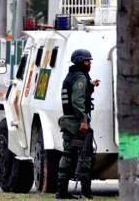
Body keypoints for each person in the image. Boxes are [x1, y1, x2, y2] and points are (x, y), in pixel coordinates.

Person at [56, 49, 100, 200]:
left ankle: (61, 191)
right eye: (87, 61)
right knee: (85, 156)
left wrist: (90, 86)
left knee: (68, 155)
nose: (90, 64)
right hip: (76, 122)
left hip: (68, 121)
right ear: (81, 61)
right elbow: (78, 101)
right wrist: (83, 120)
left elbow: (77, 94)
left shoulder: (72, 76)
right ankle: (86, 191)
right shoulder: (80, 77)